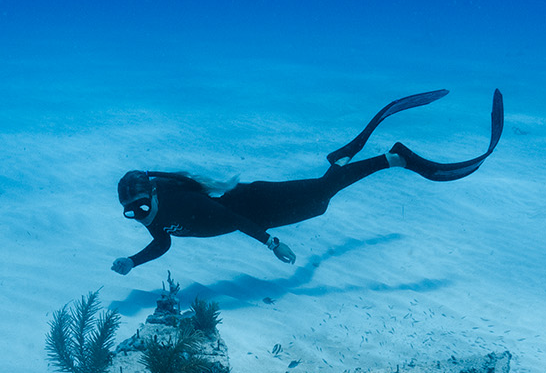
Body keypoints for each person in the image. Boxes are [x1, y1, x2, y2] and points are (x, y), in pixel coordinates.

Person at [112, 89, 504, 274]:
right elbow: (162, 241)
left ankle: (395, 158)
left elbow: (228, 219)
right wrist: (133, 261)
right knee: (320, 200)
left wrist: (272, 244)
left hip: (258, 204)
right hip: (258, 212)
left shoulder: (182, 204)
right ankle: (349, 158)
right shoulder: (157, 216)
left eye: (142, 207)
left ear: (153, 195)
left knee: (320, 197)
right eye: (132, 214)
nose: (141, 216)